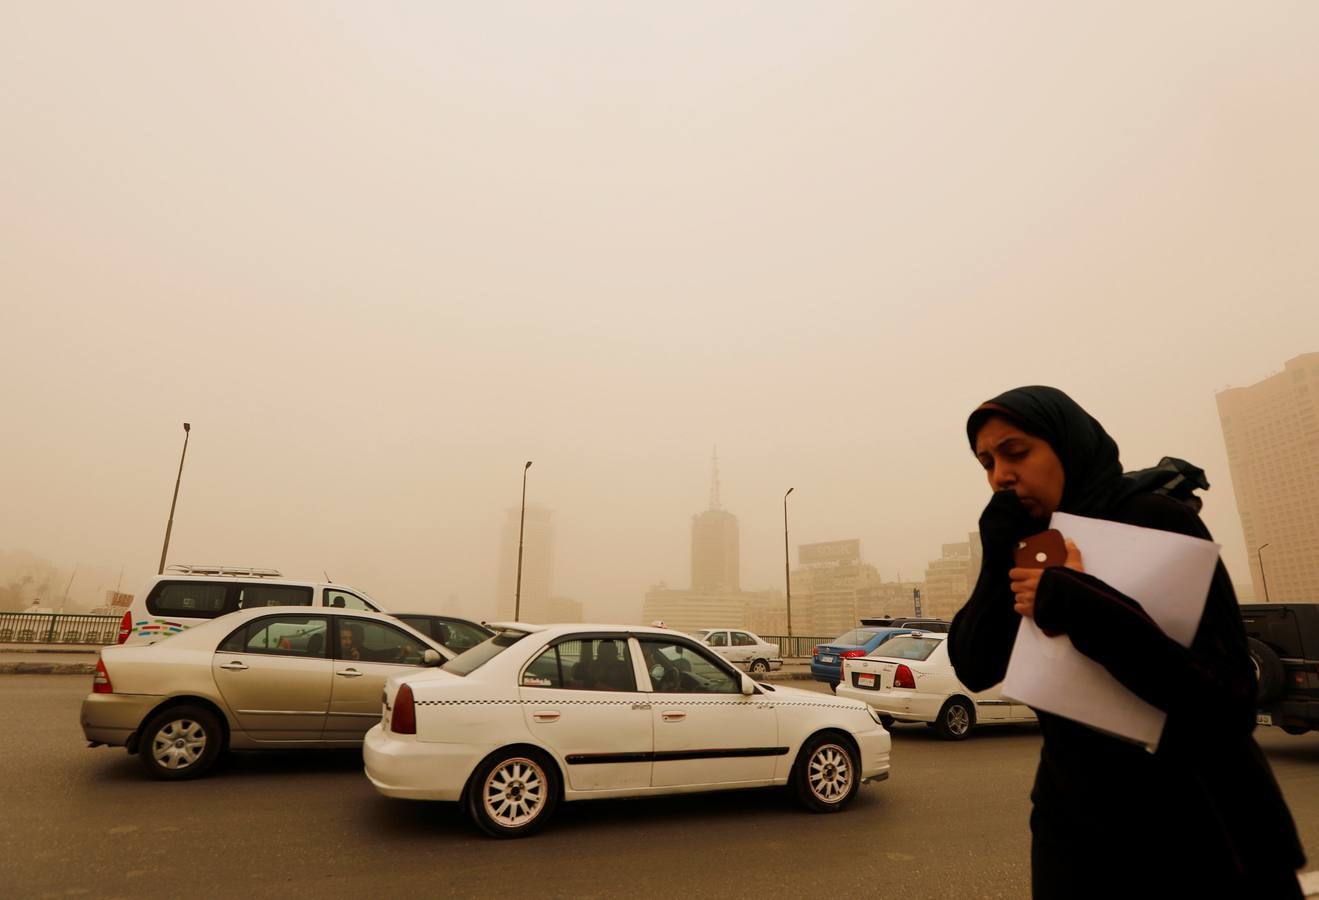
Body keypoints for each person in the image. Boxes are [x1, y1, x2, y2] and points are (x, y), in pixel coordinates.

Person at [949, 386, 1304, 899]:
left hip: (1200, 829)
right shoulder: (1033, 543)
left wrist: (1075, 600)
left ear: (1067, 445)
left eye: (1016, 452)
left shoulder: (1156, 520)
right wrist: (998, 552)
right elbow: (975, 665)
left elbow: (1227, 700)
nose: (1000, 475)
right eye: (985, 462)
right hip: (1077, 832)